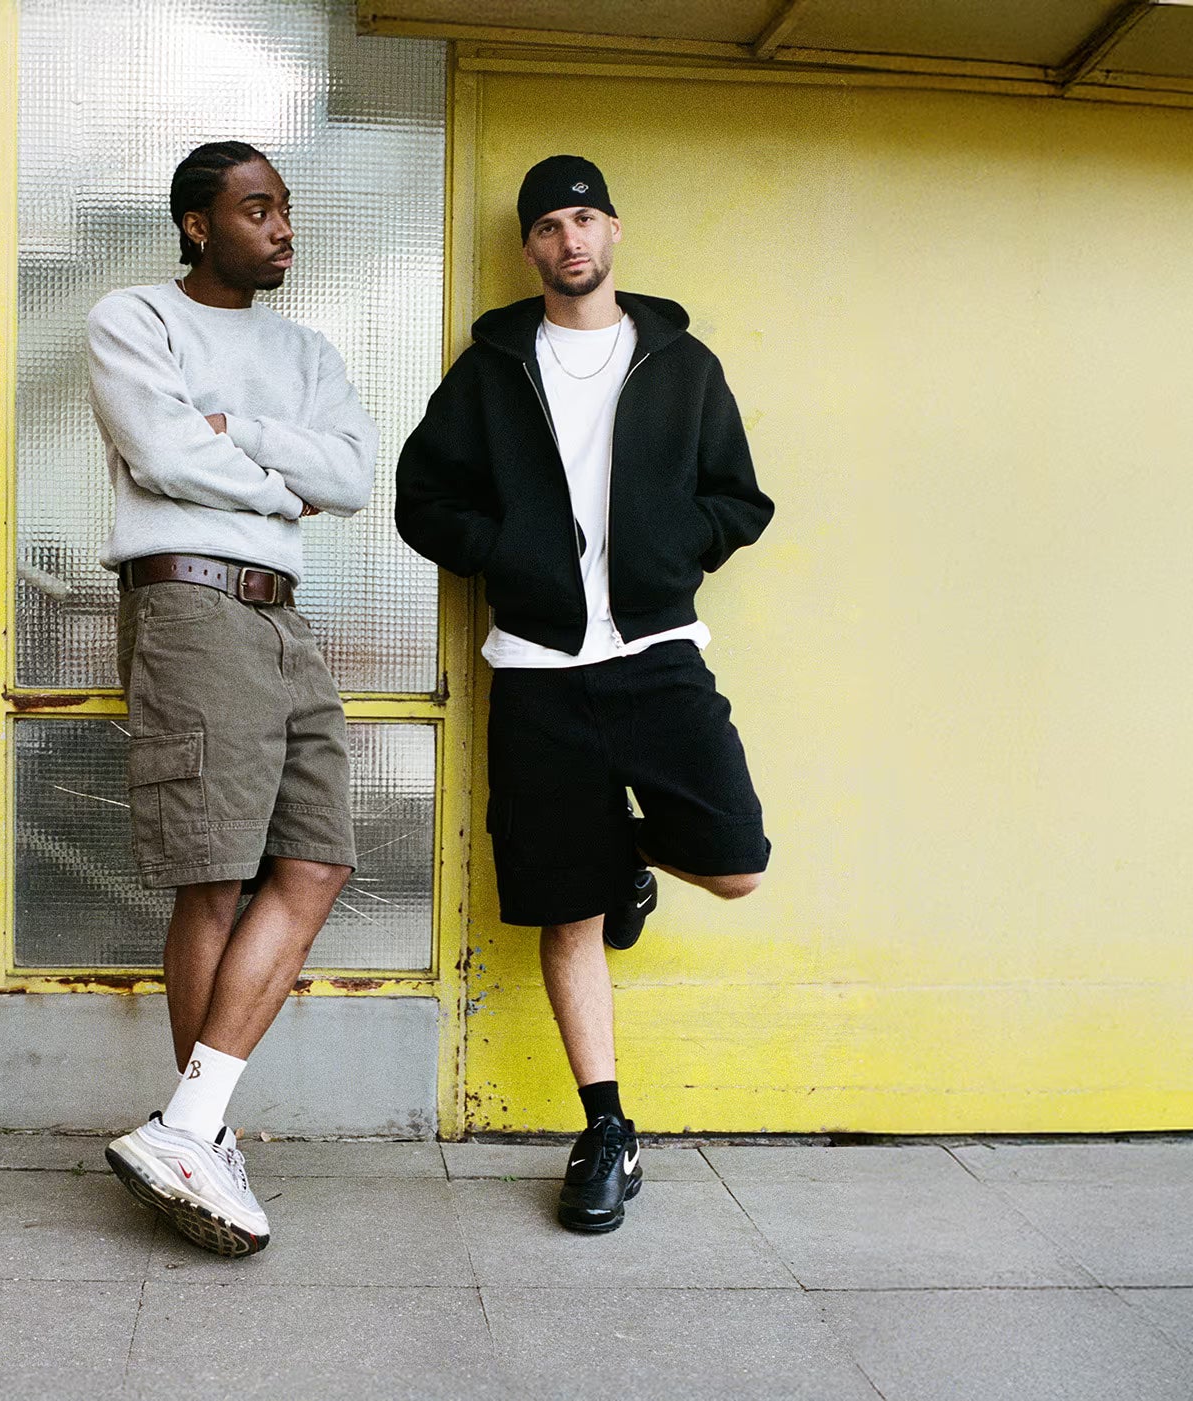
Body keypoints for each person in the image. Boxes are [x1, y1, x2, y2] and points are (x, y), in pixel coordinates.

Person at [396, 155, 774, 1233]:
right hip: (536, 673)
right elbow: (421, 499)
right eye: (550, 226)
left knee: (737, 864)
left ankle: (627, 860)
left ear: (613, 231)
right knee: (564, 909)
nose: (570, 240)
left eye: (584, 219)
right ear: (529, 249)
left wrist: (670, 552)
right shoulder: (489, 370)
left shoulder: (680, 363)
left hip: (654, 651)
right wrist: (510, 554)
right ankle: (605, 1126)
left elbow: (737, 498)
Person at [90, 141, 376, 1257]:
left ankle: (189, 1127)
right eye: (255, 210)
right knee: (214, 874)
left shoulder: (304, 350)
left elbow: (351, 478)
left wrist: (241, 436)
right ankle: (198, 1136)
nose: (280, 227)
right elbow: (159, 454)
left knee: (316, 859)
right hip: (191, 607)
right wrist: (276, 487)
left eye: (284, 208)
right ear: (197, 225)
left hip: (281, 618)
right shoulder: (135, 318)